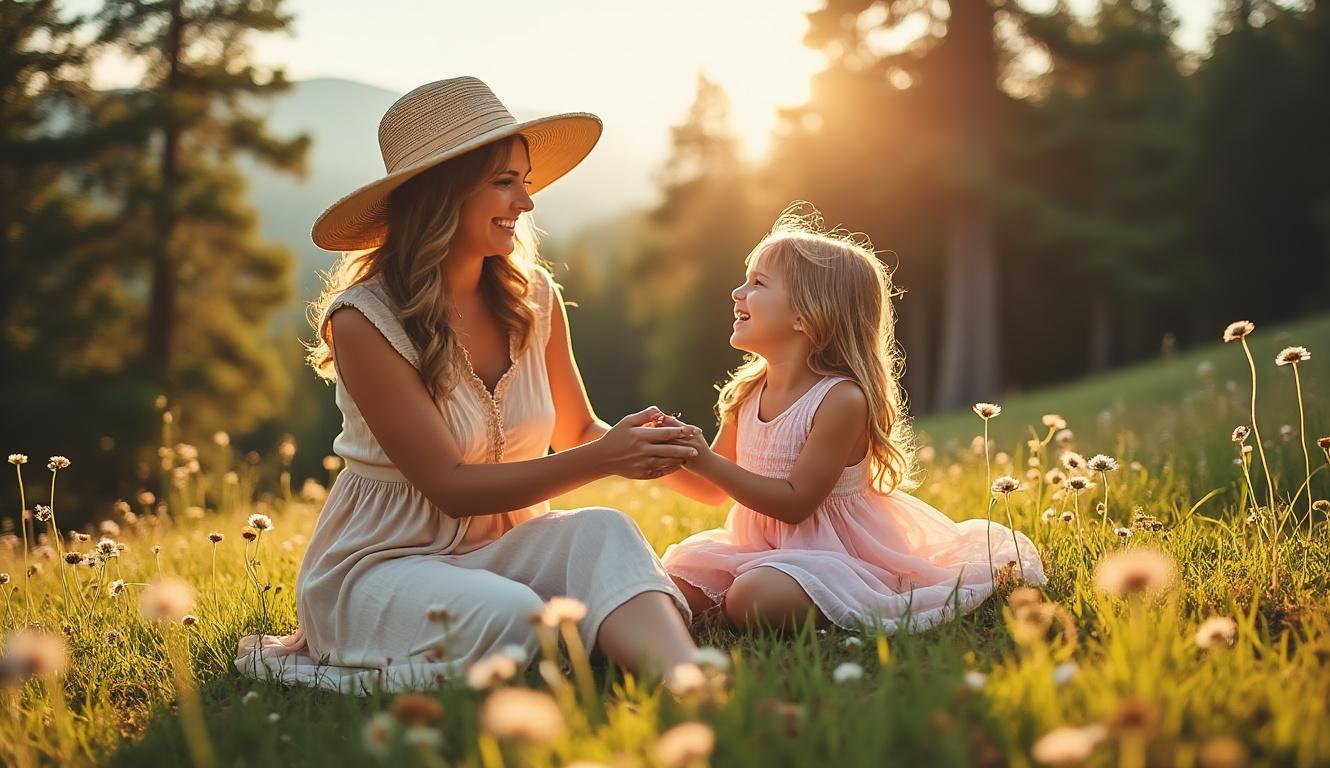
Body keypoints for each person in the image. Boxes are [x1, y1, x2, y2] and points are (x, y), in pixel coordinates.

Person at [235, 76, 699, 693]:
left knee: (604, 530)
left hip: (498, 556)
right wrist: (603, 457)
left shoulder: (536, 299)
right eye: (504, 183)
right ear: (442, 195)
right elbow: (449, 487)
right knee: (513, 618)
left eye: (525, 183)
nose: (526, 204)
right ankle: (352, 664)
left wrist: (666, 450)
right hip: (383, 565)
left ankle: (692, 685)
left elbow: (578, 430)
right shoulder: (364, 320)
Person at [657, 206, 1046, 633]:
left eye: (757, 284)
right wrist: (658, 458)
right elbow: (714, 491)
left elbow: (794, 502)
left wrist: (705, 461)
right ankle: (741, 596)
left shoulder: (840, 399)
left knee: (753, 597)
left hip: (837, 554)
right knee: (672, 583)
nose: (737, 292)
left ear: (805, 314)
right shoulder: (747, 393)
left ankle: (835, 596)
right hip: (756, 548)